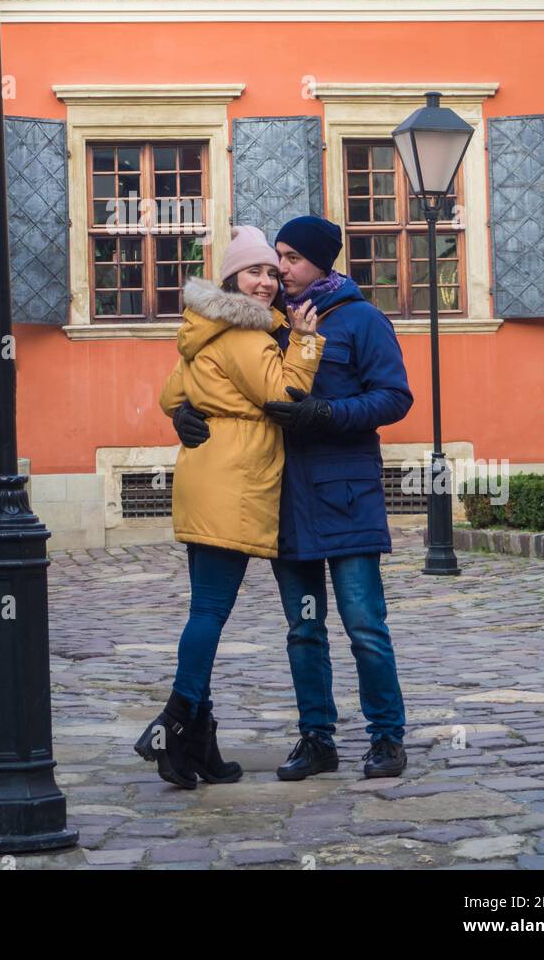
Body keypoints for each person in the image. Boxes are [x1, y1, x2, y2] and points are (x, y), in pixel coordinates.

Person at [173, 215, 414, 781]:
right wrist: (187, 411)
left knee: (364, 626)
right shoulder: (272, 324)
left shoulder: (361, 320)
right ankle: (317, 738)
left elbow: (394, 397)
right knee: (304, 628)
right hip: (285, 499)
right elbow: (223, 376)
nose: (280, 269)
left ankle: (386, 737)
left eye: (292, 257)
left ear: (321, 262)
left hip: (346, 496)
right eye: (275, 256)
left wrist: (327, 412)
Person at [135, 225, 325, 789]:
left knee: (205, 609)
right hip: (235, 479)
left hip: (204, 472)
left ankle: (197, 744)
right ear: (230, 279)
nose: (266, 282)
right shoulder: (247, 332)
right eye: (254, 272)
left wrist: (191, 409)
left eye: (272, 272)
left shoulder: (204, 325)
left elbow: (171, 395)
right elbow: (282, 394)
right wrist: (306, 342)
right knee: (211, 612)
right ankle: (172, 722)